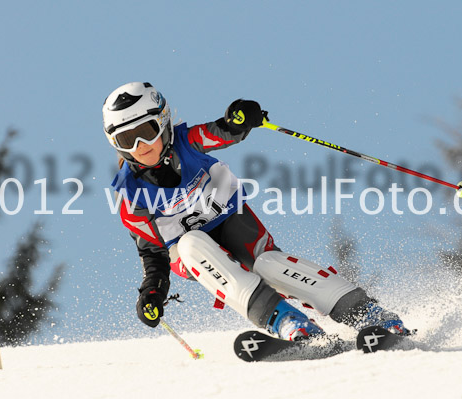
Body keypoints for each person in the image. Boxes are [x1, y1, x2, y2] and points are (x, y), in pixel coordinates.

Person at [103, 81, 410, 341]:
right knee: (191, 244)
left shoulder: (187, 143)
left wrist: (240, 119)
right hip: (190, 254)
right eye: (127, 139)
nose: (141, 145)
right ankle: (286, 322)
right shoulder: (131, 195)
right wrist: (153, 291)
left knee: (268, 263)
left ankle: (366, 311)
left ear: (165, 121)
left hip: (230, 220)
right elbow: (152, 253)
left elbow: (222, 132)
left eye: (147, 131)